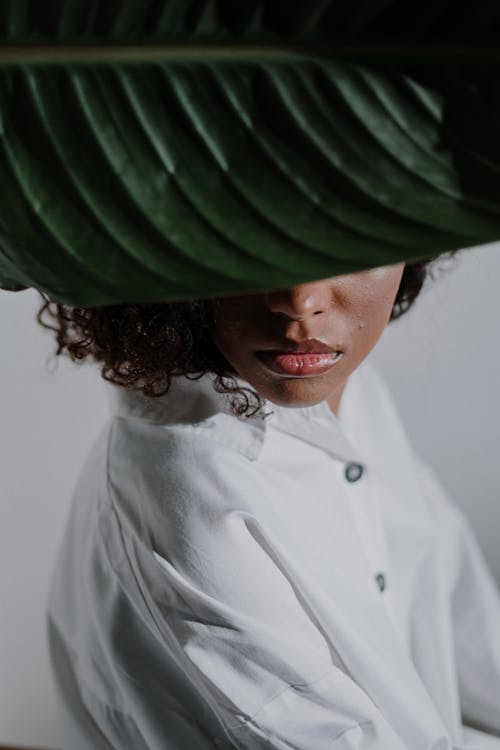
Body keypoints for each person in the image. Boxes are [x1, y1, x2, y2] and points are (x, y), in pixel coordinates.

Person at [39, 258, 500, 749]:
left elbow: (469, 628)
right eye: (260, 242)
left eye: (351, 248)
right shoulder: (190, 492)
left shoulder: (348, 394)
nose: (301, 301)